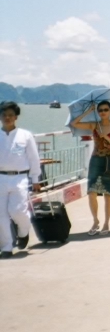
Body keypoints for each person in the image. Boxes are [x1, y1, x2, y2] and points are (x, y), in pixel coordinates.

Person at [70, 100, 110, 235]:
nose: (103, 112)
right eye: (100, 110)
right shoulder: (94, 125)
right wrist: (88, 111)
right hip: (95, 160)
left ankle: (106, 223)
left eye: (106, 110)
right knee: (91, 192)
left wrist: (106, 137)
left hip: (109, 161)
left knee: (107, 193)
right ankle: (95, 221)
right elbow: (74, 123)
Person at [0, 101, 41, 258]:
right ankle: (6, 247)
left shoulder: (25, 135)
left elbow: (33, 158)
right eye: (4, 115)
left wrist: (35, 178)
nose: (7, 118)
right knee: (1, 215)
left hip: (19, 178)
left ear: (16, 117)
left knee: (18, 211)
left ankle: (23, 232)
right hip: (0, 178)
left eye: (10, 115)